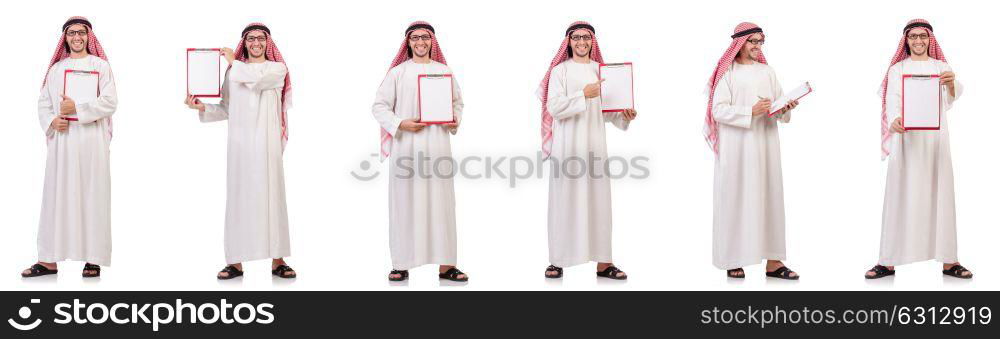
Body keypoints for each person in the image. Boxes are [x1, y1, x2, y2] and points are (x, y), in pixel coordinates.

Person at [184, 22, 297, 280]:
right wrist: (201, 108)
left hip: (267, 145)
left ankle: (278, 260)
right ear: (244, 43)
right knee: (239, 200)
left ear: (268, 43)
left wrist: (234, 62)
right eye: (250, 39)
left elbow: (256, 81)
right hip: (240, 146)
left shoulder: (277, 69)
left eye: (260, 39)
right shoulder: (232, 73)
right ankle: (234, 262)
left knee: (273, 200)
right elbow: (226, 108)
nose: (255, 43)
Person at [866, 19, 972, 280]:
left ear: (930, 40)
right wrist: (894, 121)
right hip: (906, 141)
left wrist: (949, 83)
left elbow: (951, 98)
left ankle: (950, 261)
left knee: (941, 195)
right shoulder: (897, 69)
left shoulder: (941, 66)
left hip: (936, 141)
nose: (918, 41)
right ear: (906, 40)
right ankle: (887, 261)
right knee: (899, 197)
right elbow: (892, 100)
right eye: (913, 37)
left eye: (922, 36)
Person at [538, 21, 637, 280]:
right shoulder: (559, 71)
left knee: (598, 202)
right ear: (569, 42)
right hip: (567, 148)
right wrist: (584, 94)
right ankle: (557, 260)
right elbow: (554, 108)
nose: (582, 42)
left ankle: (604, 263)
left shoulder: (600, 70)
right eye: (577, 38)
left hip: (595, 147)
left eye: (587, 38)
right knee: (564, 201)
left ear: (593, 42)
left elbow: (611, 112)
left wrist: (625, 115)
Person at [371, 21, 468, 282]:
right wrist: (400, 123)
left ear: (432, 41)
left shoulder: (443, 71)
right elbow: (379, 106)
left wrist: (454, 119)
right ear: (408, 43)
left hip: (438, 147)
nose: (420, 42)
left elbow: (457, 103)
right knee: (405, 203)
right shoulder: (397, 73)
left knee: (441, 205)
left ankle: (447, 266)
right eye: (415, 38)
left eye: (425, 37)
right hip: (407, 149)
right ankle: (401, 263)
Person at [22, 17, 118, 279]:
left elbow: (110, 102)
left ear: (89, 37)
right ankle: (49, 260)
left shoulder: (101, 66)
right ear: (65, 38)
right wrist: (53, 120)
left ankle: (93, 258)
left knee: (92, 195)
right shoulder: (56, 69)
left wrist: (78, 109)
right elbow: (43, 103)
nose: (77, 37)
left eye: (82, 33)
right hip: (62, 143)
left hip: (92, 142)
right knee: (57, 197)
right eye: (72, 33)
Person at [704, 22, 800, 280]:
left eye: (760, 42)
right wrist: (750, 111)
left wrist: (785, 108)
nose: (757, 46)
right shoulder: (727, 73)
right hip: (737, 148)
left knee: (769, 199)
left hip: (766, 145)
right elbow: (717, 110)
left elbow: (778, 106)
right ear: (739, 43)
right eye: (753, 42)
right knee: (735, 200)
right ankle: (732, 259)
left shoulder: (767, 72)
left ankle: (774, 262)